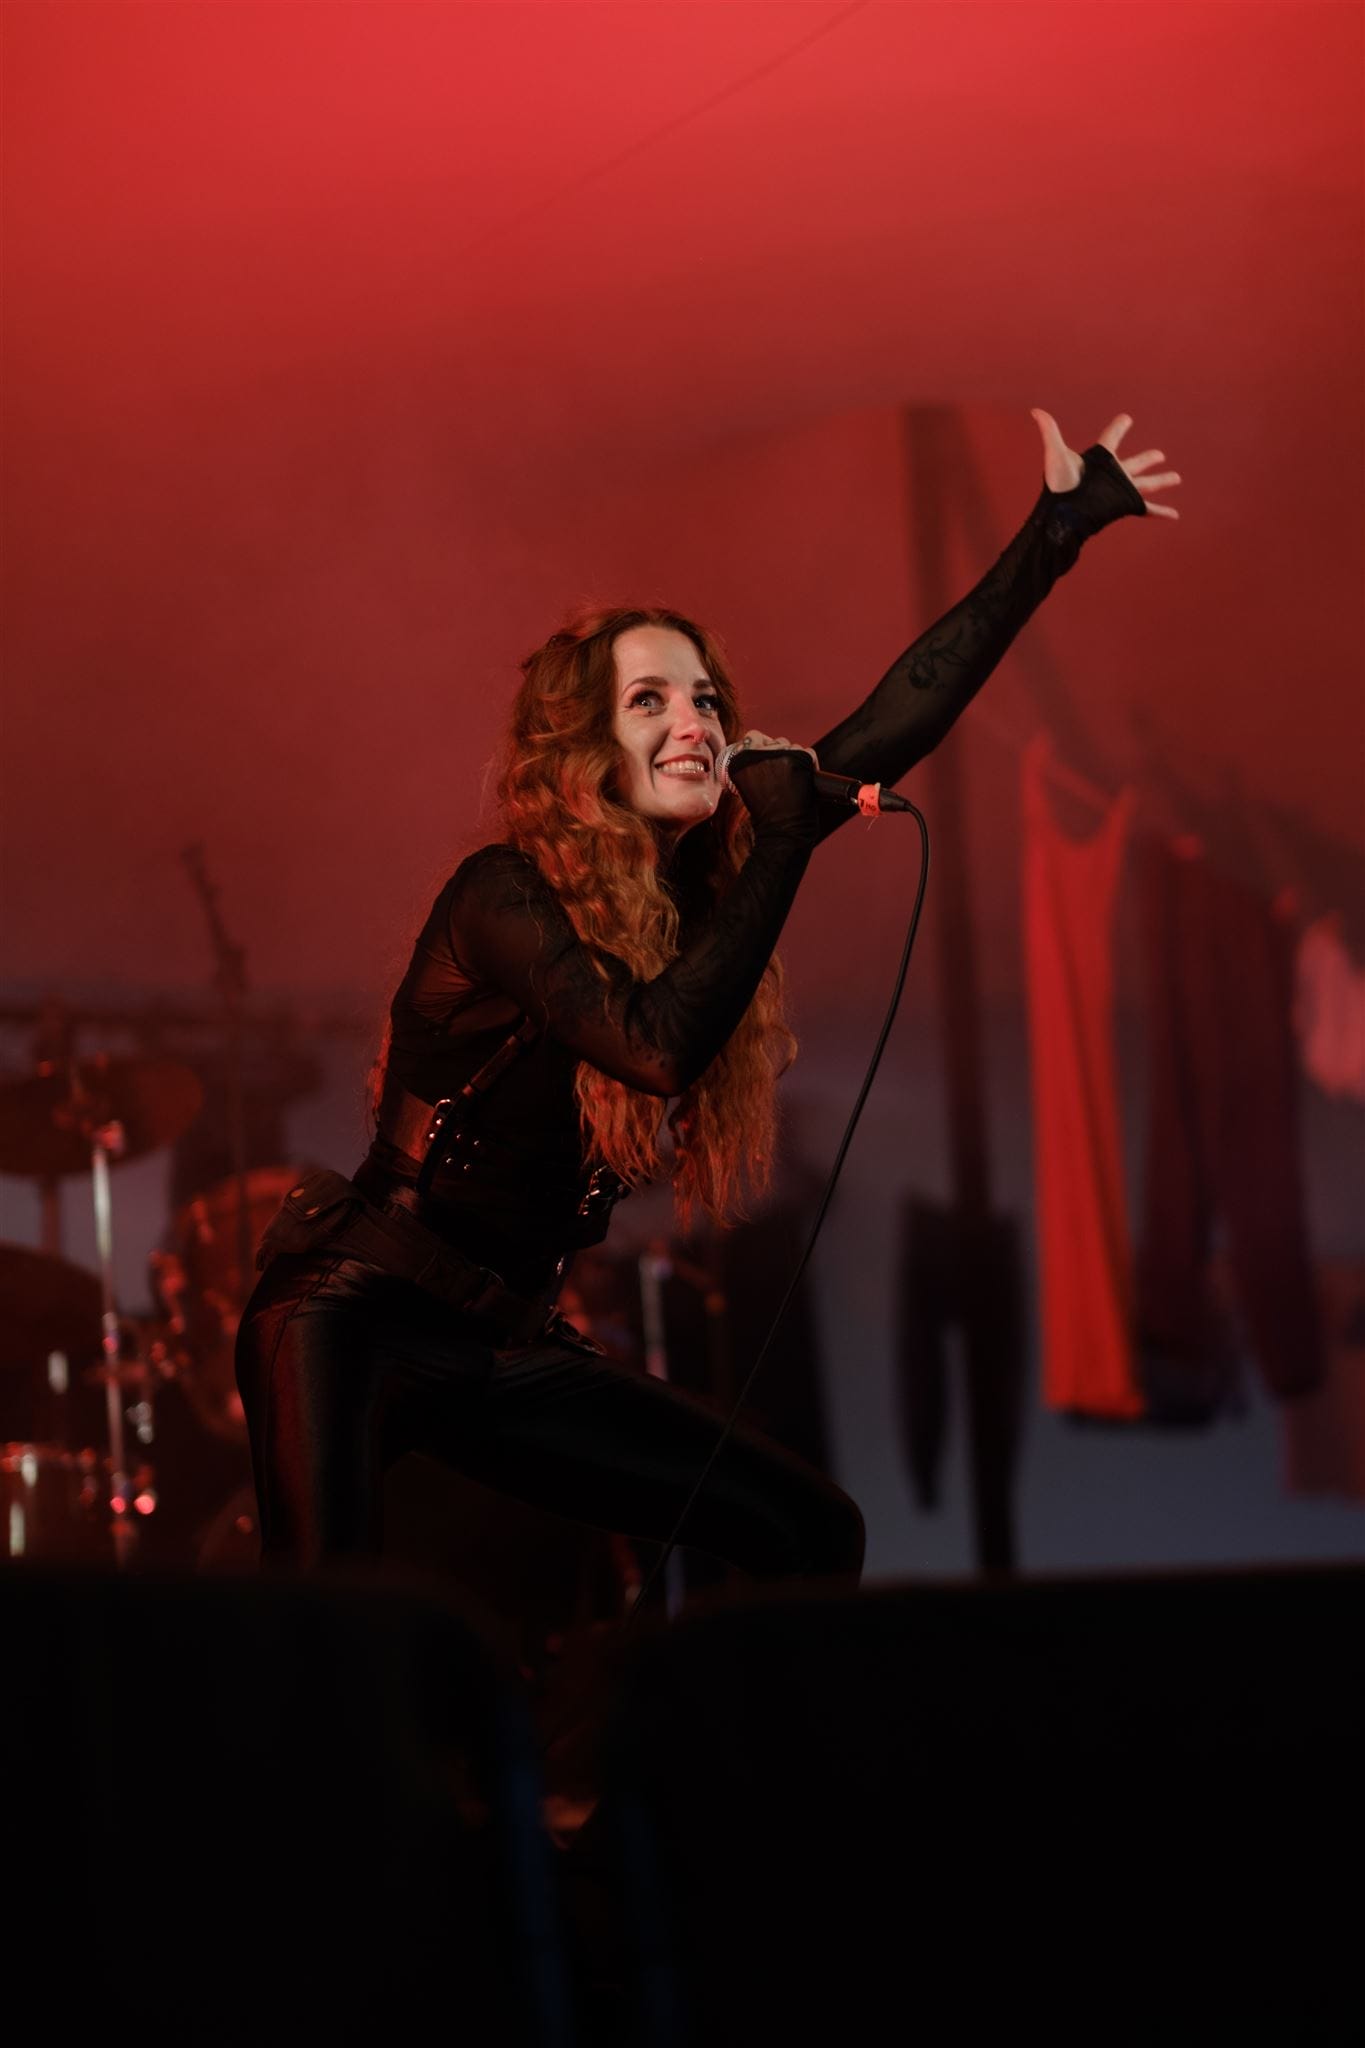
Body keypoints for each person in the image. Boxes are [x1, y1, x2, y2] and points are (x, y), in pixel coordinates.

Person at [234, 410, 1180, 1581]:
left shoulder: (709, 876)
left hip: (506, 1341)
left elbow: (899, 719)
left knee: (809, 1527)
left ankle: (690, 1758)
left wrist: (1059, 526)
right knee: (328, 1641)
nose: (696, 722)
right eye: (651, 702)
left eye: (706, 699)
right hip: (351, 1316)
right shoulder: (503, 893)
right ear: (585, 747)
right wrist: (783, 840)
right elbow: (656, 1047)